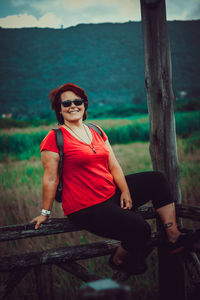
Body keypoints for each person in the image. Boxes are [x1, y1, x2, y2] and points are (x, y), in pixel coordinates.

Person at [31, 83, 194, 274]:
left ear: (84, 105)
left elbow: (113, 164)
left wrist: (125, 190)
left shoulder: (96, 130)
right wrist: (45, 213)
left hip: (110, 193)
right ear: (59, 109)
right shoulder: (54, 138)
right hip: (85, 206)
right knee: (141, 230)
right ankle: (118, 259)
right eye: (66, 103)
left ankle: (173, 235)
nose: (73, 106)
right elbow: (50, 179)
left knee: (156, 180)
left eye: (78, 101)